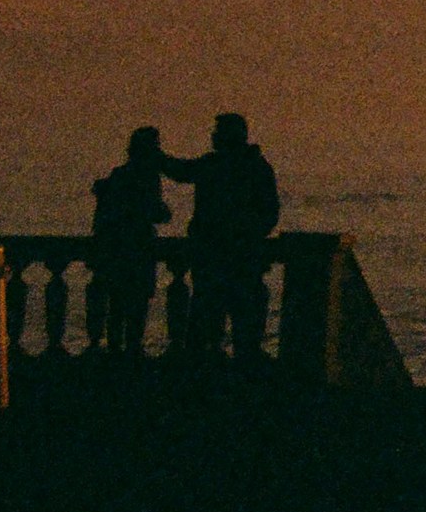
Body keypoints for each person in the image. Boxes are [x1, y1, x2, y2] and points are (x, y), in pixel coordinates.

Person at [167, 112, 282, 368]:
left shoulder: (219, 165)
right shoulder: (255, 166)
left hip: (218, 255)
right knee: (237, 314)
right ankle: (238, 364)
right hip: (235, 256)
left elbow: (182, 172)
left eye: (217, 132)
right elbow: (270, 212)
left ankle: (211, 367)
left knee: (214, 312)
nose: (213, 136)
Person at [86, 127, 174, 362]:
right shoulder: (143, 178)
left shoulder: (120, 176)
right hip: (137, 249)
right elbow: (154, 211)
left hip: (120, 251)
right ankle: (131, 351)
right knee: (135, 305)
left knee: (118, 305)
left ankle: (117, 351)